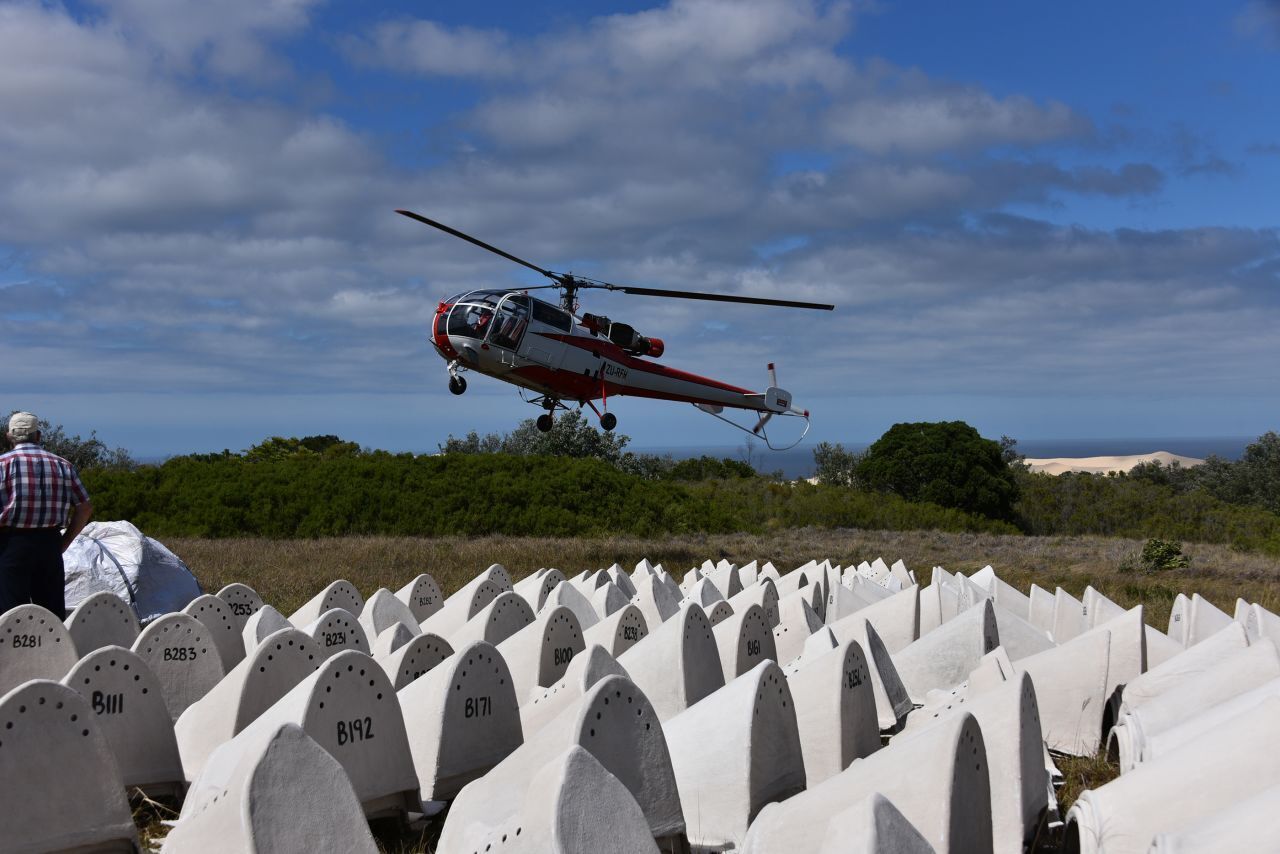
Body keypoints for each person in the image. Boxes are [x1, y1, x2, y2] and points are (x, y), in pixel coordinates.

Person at [0, 412, 93, 618]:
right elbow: (85, 507)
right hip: (50, 544)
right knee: (51, 616)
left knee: (11, 616)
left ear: (9, 436)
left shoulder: (2, 465)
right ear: (38, 435)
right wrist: (65, 542)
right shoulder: (62, 465)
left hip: (9, 544)